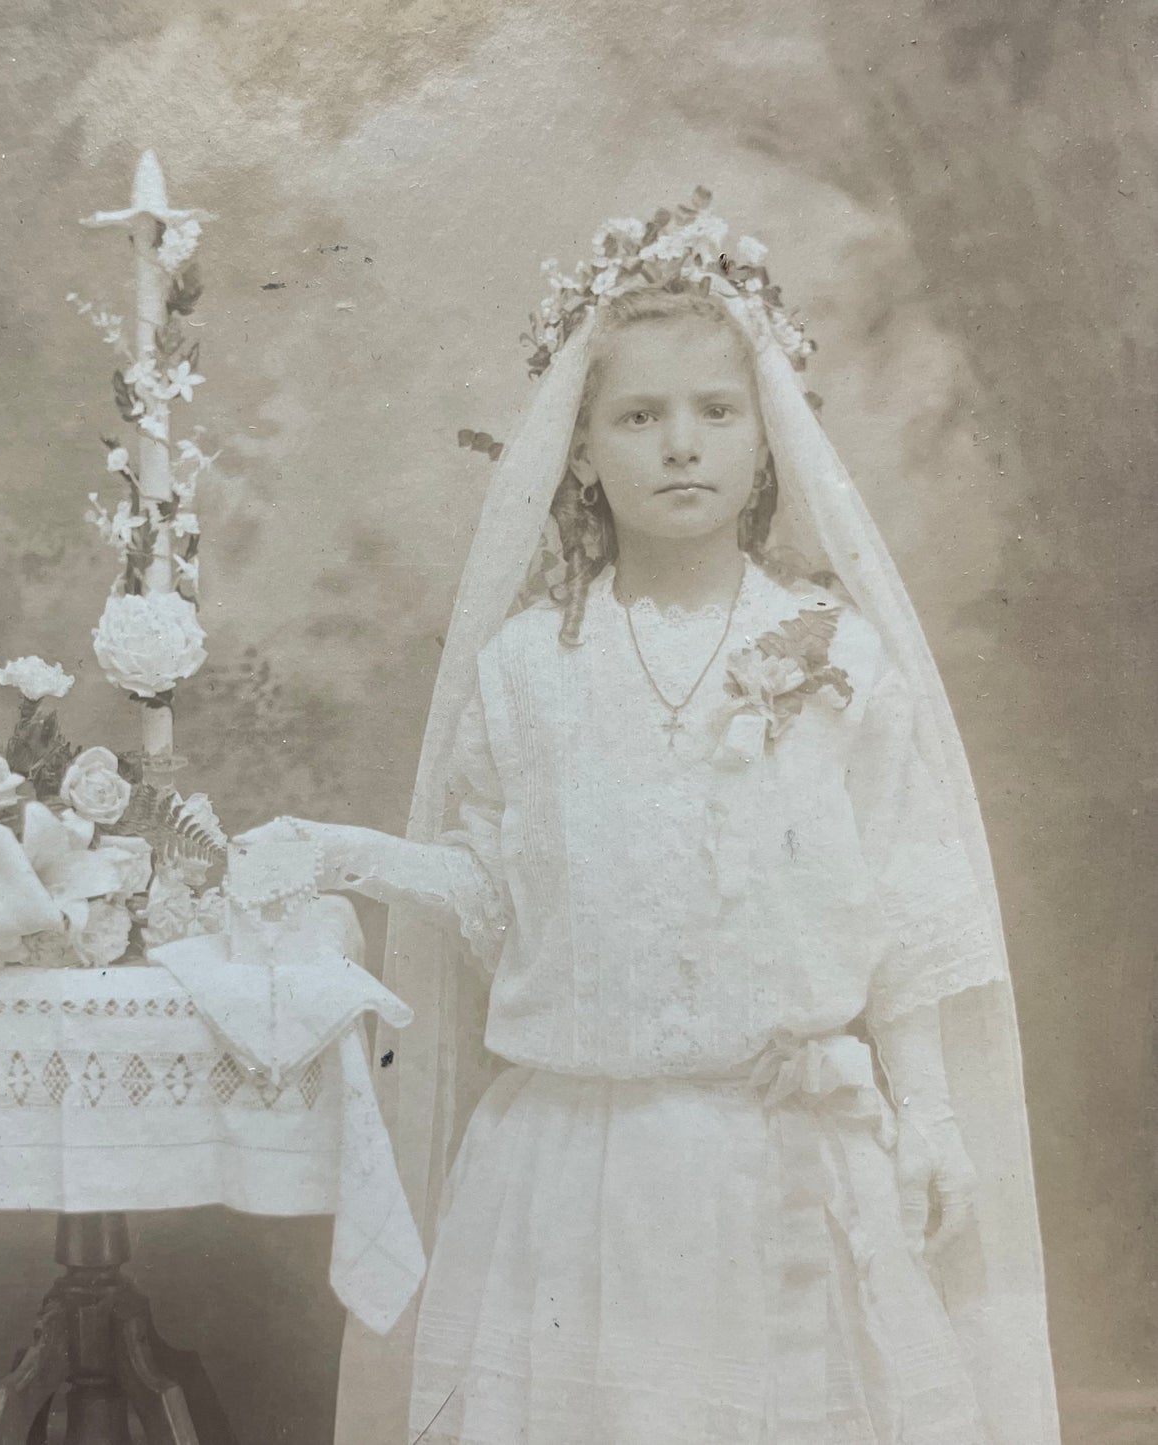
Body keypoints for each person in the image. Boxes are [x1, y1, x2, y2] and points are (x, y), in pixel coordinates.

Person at [240, 202, 1059, 1444]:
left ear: (765, 441)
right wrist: (347, 852)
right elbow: (496, 893)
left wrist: (930, 1118)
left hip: (781, 1154)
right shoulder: (526, 669)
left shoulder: (832, 653)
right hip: (578, 1164)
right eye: (638, 416)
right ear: (575, 452)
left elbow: (903, 895)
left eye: (714, 413)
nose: (680, 447)